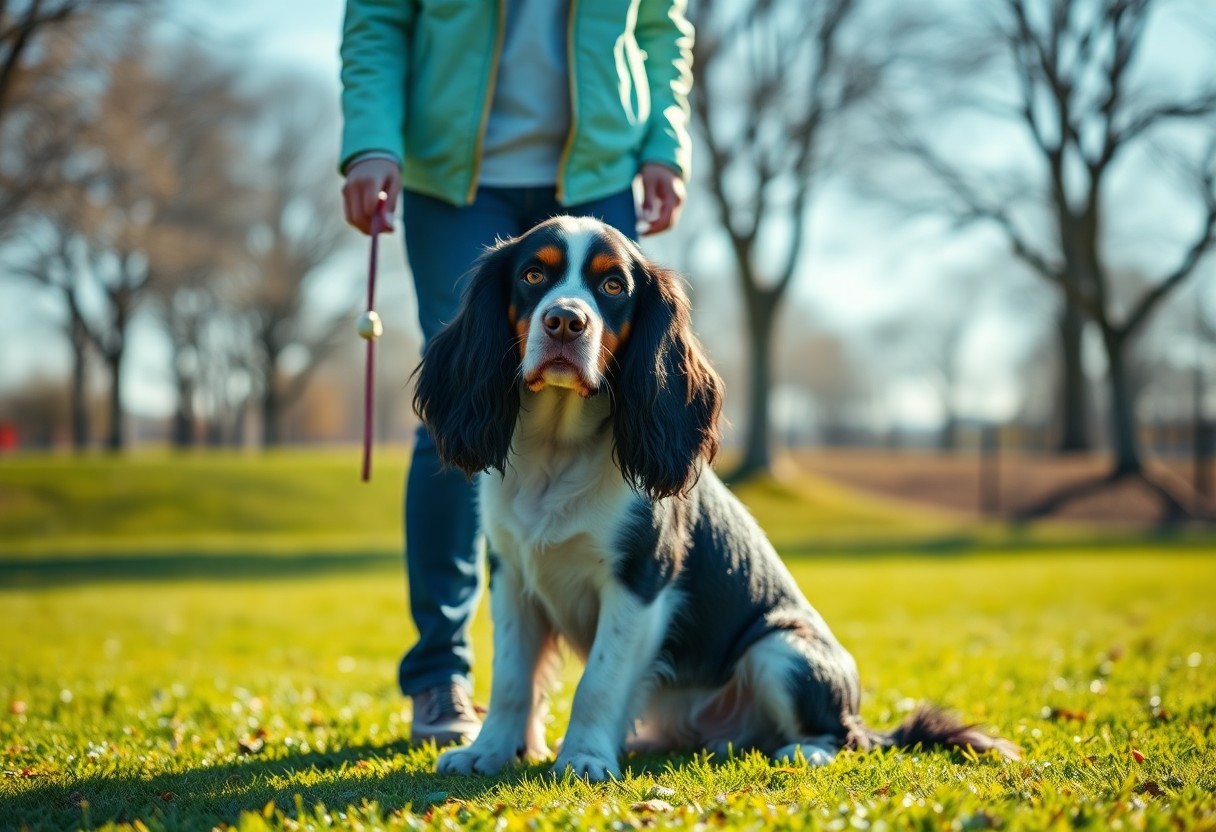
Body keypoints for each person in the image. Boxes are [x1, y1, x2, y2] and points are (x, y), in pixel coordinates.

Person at [338, 0, 694, 746]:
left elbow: (661, 24)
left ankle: (604, 691)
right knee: (462, 404)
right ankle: (441, 676)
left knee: (614, 402)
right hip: (452, 175)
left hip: (602, 163)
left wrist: (665, 143)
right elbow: (378, 18)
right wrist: (372, 139)